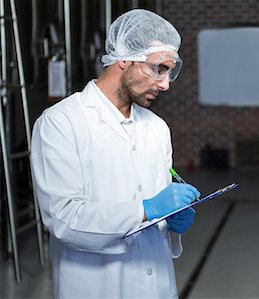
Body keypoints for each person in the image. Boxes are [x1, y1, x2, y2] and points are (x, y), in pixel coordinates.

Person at [30, 9, 200, 298]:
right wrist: (145, 210)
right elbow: (64, 219)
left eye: (170, 71)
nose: (165, 83)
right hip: (95, 286)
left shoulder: (156, 128)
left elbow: (158, 202)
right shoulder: (61, 122)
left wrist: (172, 223)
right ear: (124, 57)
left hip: (157, 286)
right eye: (159, 68)